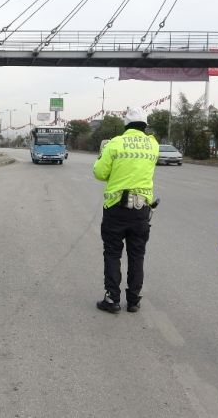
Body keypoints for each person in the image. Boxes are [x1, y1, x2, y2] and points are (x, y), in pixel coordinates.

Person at [93, 107, 159, 314]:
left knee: (112, 253)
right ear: (145, 125)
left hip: (116, 209)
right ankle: (133, 301)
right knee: (137, 255)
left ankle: (112, 299)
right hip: (141, 210)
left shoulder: (116, 143)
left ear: (126, 125)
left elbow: (100, 173)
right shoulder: (153, 145)